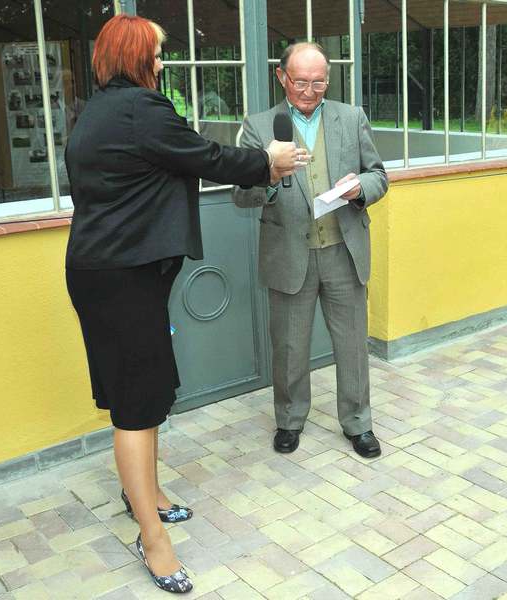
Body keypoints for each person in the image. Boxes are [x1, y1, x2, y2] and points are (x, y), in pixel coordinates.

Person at [64, 15, 305, 594]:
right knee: (136, 404)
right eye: (155, 52)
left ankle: (146, 496)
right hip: (123, 278)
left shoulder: (96, 110)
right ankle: (152, 539)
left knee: (144, 393)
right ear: (134, 57)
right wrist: (268, 159)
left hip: (111, 273)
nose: (162, 62)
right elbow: (207, 157)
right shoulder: (141, 110)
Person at [233, 42, 388, 459]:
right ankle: (289, 420)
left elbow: (379, 176)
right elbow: (242, 195)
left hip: (343, 251)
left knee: (352, 346)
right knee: (289, 346)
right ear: (281, 77)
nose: (309, 91)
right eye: (300, 82)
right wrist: (269, 176)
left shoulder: (351, 118)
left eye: (319, 82)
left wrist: (359, 189)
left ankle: (358, 422)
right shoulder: (259, 126)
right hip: (288, 254)